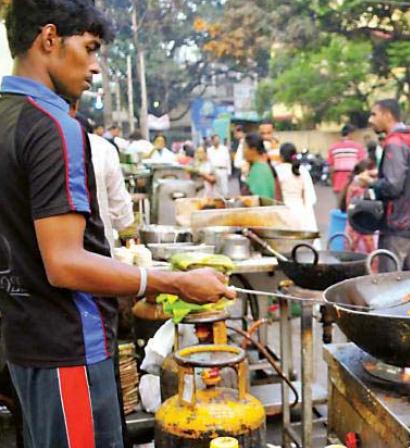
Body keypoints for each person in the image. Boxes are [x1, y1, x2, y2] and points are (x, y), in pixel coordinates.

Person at [0, 3, 234, 446]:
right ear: (48, 39)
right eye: (88, 49)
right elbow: (65, 264)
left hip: (23, 342)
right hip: (67, 347)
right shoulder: (52, 125)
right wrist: (176, 284)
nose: (94, 67)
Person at [357, 99, 410, 271]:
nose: (370, 120)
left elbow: (393, 186)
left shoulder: (394, 143)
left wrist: (371, 183)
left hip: (396, 223)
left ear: (387, 115)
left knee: (389, 283)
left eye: (374, 114)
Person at [75, 113, 135, 249]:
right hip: (97, 247)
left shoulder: (39, 143)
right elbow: (120, 207)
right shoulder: (102, 147)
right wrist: (130, 242)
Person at [275, 142, 318, 232]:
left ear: (280, 156)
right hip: (300, 212)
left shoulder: (277, 170)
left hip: (283, 212)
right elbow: (308, 196)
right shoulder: (302, 170)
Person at [339, 160, 377, 254]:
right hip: (360, 232)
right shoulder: (357, 188)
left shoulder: (352, 186)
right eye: (371, 176)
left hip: (354, 230)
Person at [327, 123, 367, 194]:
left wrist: (333, 182)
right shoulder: (358, 148)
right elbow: (362, 166)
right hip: (354, 184)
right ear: (350, 134)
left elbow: (331, 169)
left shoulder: (333, 148)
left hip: (338, 185)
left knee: (340, 205)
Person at [243, 133, 279, 200]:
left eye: (244, 148)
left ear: (253, 150)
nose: (243, 152)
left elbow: (262, 201)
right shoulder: (258, 167)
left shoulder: (260, 170)